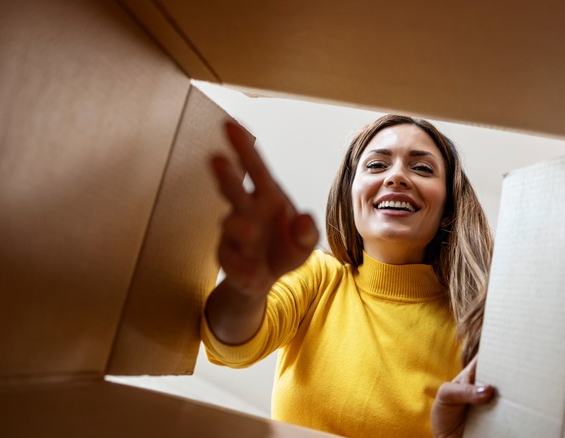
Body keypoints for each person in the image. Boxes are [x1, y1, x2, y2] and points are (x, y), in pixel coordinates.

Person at [203, 114, 496, 437]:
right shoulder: (319, 278)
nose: (397, 176)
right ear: (351, 195)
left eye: (422, 168)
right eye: (376, 165)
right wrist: (247, 289)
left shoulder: (476, 328)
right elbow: (230, 347)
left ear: (448, 210)